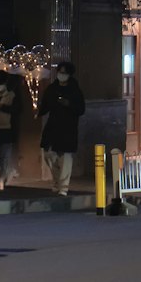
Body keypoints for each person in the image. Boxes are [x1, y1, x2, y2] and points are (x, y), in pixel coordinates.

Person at [39, 61, 85, 196]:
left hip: (67, 128)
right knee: (49, 155)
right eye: (60, 72)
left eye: (64, 73)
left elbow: (80, 109)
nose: (61, 75)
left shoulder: (74, 90)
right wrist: (39, 110)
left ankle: (63, 187)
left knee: (65, 158)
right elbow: (45, 105)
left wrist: (68, 104)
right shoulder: (52, 89)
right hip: (53, 126)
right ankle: (57, 181)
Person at [0, 70, 21, 190]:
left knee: (5, 155)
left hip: (7, 128)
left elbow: (17, 110)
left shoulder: (11, 94)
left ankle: (2, 177)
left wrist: (3, 107)